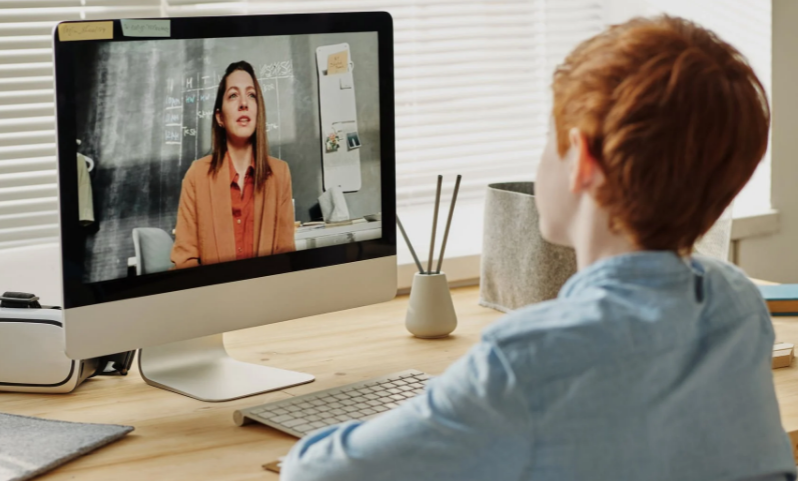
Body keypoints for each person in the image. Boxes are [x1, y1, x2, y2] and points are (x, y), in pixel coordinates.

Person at [281, 15, 797, 481]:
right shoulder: (735, 305)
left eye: (549, 140)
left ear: (584, 162)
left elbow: (316, 475)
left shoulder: (527, 360)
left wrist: (434, 410)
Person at [171, 61, 295, 269]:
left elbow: (285, 257)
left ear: (258, 111)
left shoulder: (280, 174)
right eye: (233, 95)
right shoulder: (197, 176)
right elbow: (186, 261)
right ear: (220, 117)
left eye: (251, 95)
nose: (244, 103)